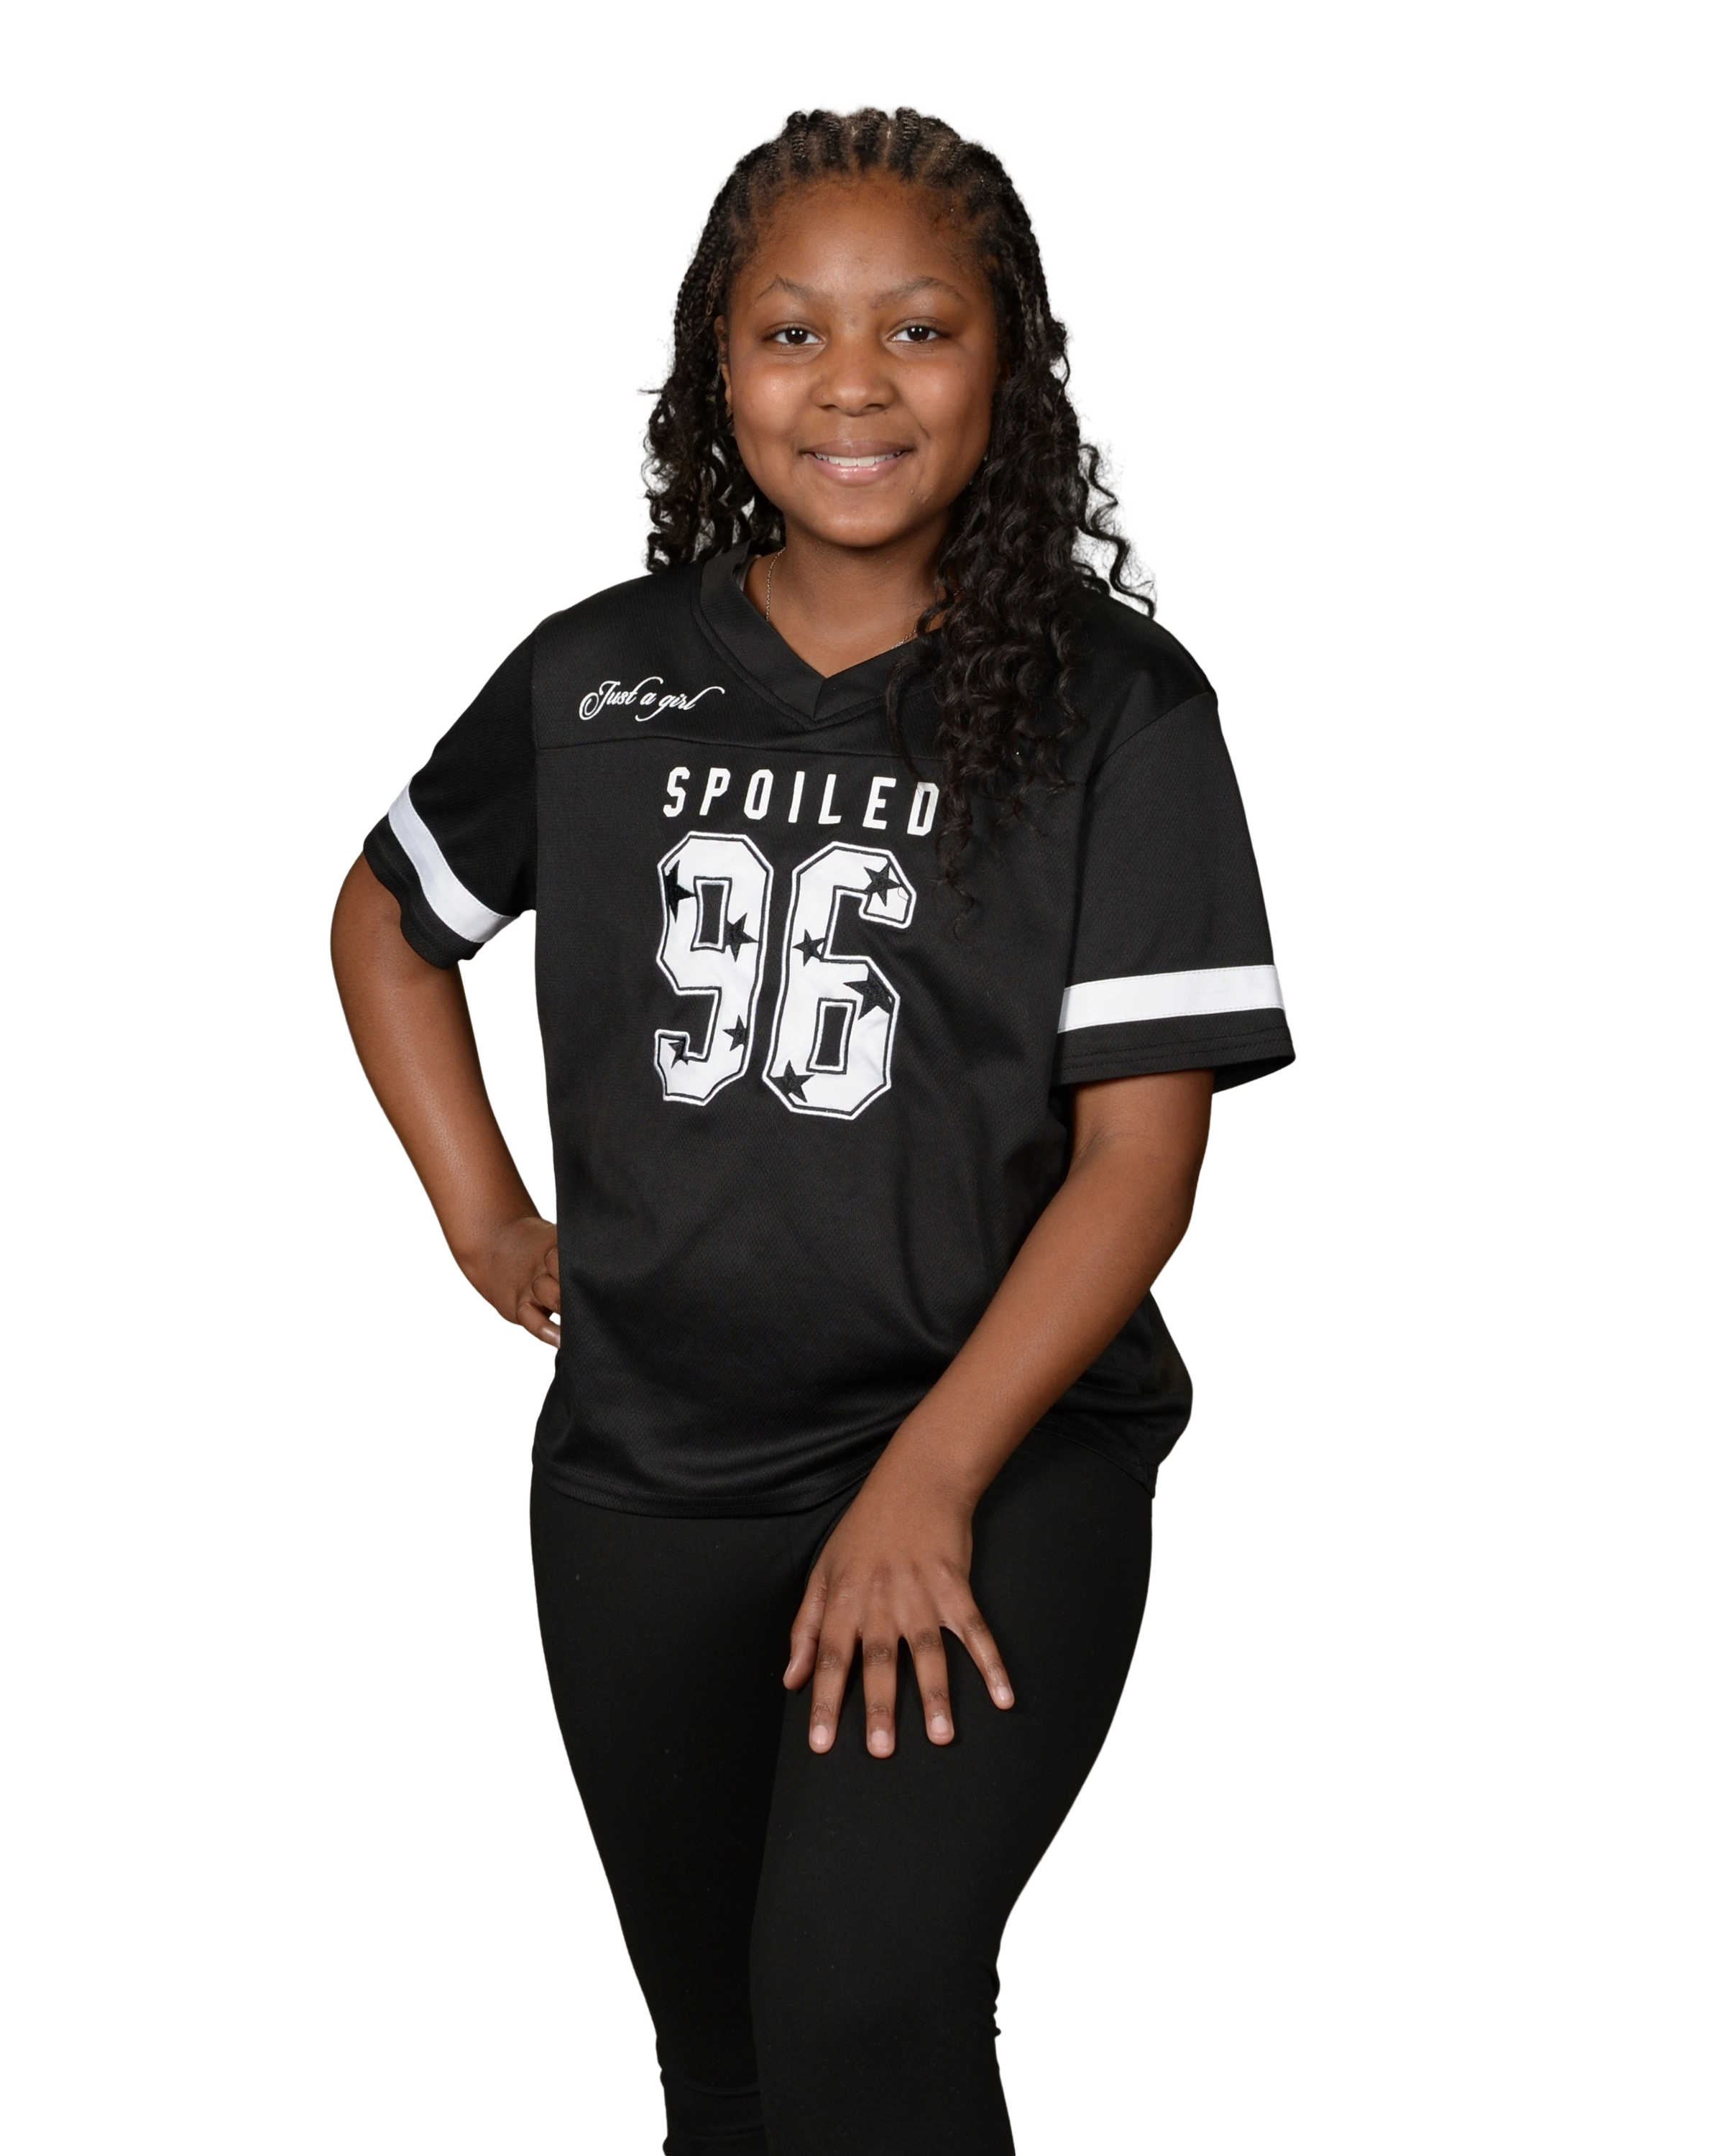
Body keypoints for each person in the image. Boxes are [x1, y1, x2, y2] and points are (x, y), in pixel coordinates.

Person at [328, 99, 1294, 2156]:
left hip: (995, 1451)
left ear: (1009, 367)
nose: (853, 383)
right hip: (653, 1462)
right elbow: (388, 926)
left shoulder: (1116, 706)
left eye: (919, 328)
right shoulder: (600, 679)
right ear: (719, 366)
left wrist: (927, 1483)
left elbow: (1141, 1162)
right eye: (793, 332)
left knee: (866, 2001)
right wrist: (488, 1223)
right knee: (729, 2067)